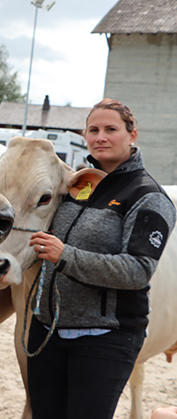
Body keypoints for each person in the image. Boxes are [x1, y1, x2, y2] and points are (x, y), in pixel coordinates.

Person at [27, 99, 176, 419]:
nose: (100, 137)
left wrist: (65, 255)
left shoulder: (149, 197)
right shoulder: (76, 185)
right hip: (48, 330)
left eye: (111, 129)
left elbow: (138, 270)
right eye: (93, 130)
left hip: (104, 337)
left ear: (132, 135)